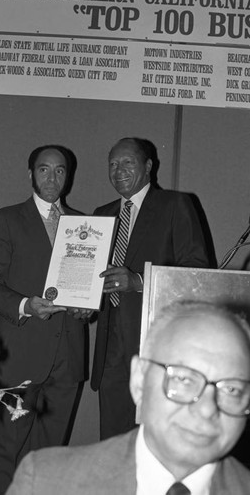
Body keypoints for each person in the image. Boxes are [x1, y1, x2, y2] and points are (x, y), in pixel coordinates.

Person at [5, 300, 250, 495]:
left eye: (232, 389)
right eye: (184, 379)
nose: (207, 409)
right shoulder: (46, 483)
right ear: (139, 380)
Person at [0, 145, 88, 494]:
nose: (52, 177)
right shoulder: (7, 219)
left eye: (59, 171)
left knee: (50, 457)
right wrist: (25, 305)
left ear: (67, 176)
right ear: (30, 174)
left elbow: (88, 285)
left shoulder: (84, 226)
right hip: (18, 355)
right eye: (44, 169)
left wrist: (89, 307)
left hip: (67, 357)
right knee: (6, 453)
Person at [91, 137, 211, 440]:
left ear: (148, 166)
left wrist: (140, 282)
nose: (119, 170)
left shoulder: (174, 205)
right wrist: (83, 301)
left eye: (128, 162)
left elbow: (197, 273)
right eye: (113, 164)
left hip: (157, 343)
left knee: (155, 439)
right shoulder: (101, 214)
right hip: (110, 347)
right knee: (113, 441)